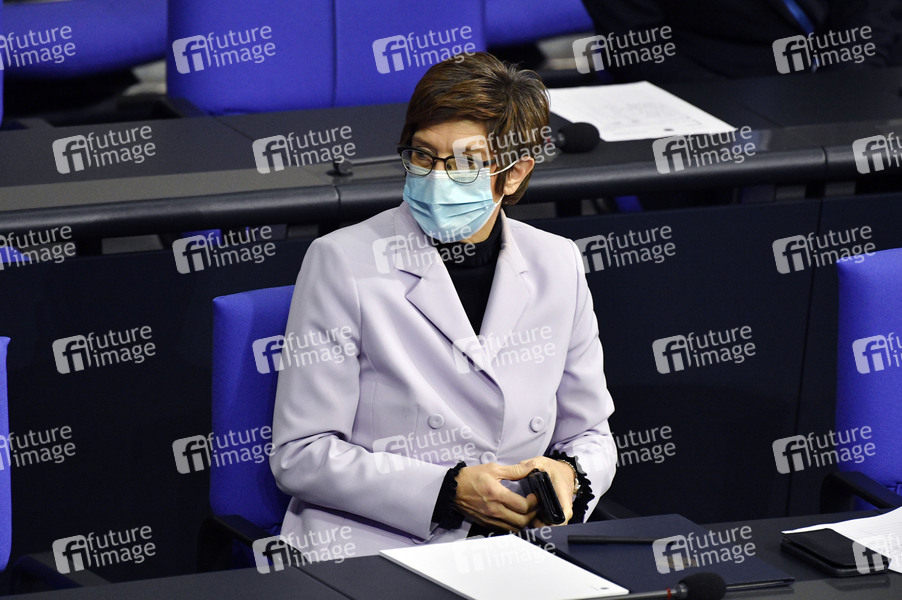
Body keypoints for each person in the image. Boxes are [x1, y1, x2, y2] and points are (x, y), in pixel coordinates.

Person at [270, 52, 617, 558]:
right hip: (375, 544)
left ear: (514, 174)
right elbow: (301, 455)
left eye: (465, 163)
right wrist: (446, 491)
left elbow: (591, 433)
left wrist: (569, 476)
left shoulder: (557, 262)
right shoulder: (342, 260)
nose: (436, 178)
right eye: (422, 156)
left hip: (515, 544)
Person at [580, 0, 900, 83]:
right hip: (711, 91)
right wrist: (730, 109)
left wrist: (846, 79)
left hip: (857, 76)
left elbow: (873, 11)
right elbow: (636, 45)